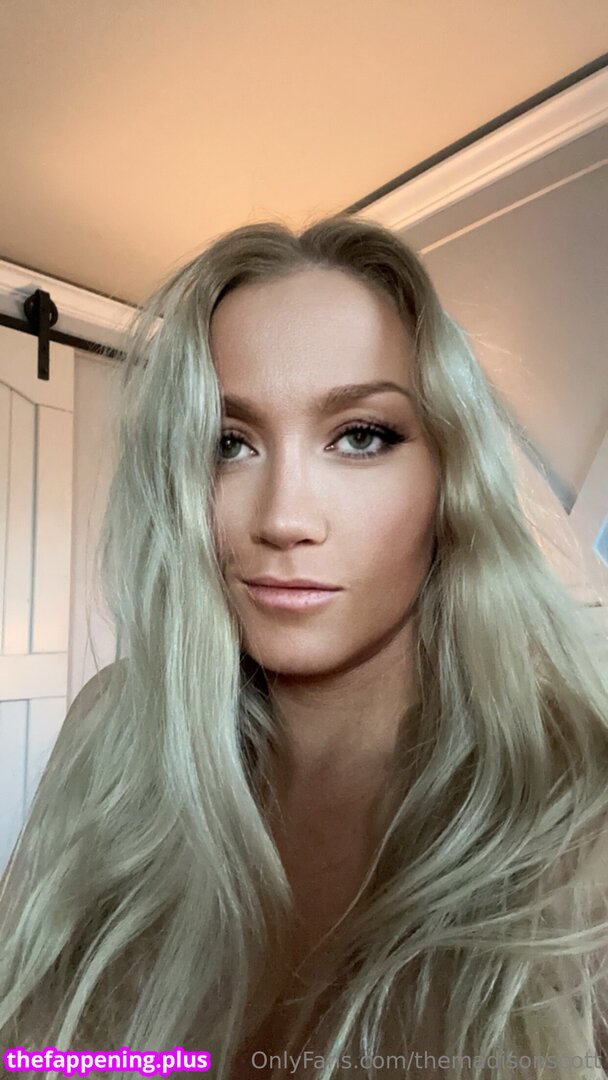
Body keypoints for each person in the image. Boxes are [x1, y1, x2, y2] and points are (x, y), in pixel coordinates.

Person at [1, 213, 607, 1080]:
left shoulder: (579, 804)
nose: (283, 517)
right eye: (229, 444)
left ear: (451, 476)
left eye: (361, 436)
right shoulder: (115, 725)